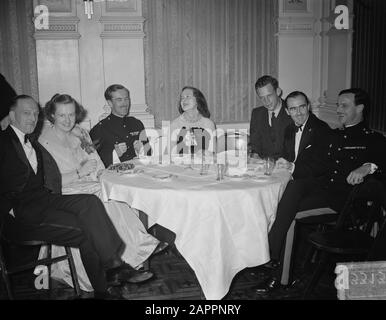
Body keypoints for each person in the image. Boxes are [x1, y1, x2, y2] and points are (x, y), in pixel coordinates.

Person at [0, 95, 154, 299]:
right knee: (88, 222)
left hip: (44, 200)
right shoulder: (5, 141)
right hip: (19, 213)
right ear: (12, 115)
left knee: (89, 208)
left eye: (35, 114)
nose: (32, 118)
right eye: (26, 113)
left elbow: (48, 179)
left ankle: (111, 273)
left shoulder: (32, 143)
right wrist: (7, 207)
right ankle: (110, 278)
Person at [253, 88, 386, 295]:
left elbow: (382, 162)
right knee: (293, 190)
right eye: (338, 105)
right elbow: (319, 165)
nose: (338, 110)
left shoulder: (374, 139)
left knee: (291, 217)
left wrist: (368, 166)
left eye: (344, 105)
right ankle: (269, 252)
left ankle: (279, 272)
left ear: (360, 108)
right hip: (324, 191)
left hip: (346, 203)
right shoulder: (334, 135)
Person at [38, 94, 167, 291]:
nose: (68, 120)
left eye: (71, 114)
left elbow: (97, 163)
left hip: (91, 184)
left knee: (111, 193)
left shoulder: (80, 133)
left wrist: (100, 173)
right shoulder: (43, 141)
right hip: (65, 191)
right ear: (52, 115)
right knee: (101, 198)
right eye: (62, 115)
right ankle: (136, 251)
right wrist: (79, 172)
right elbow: (48, 183)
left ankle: (129, 259)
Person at [90, 84, 151, 168]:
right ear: (110, 103)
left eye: (126, 99)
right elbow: (94, 160)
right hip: (116, 175)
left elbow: (149, 153)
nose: (124, 103)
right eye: (119, 100)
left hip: (140, 170)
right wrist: (115, 154)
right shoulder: (100, 129)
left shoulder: (136, 123)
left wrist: (142, 151)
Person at [276, 91, 332, 179]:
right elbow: (285, 156)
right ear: (287, 111)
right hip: (290, 177)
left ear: (308, 107)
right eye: (293, 109)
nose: (298, 113)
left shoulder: (321, 129)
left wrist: (291, 168)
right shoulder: (289, 129)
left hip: (311, 181)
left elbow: (321, 166)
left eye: (302, 107)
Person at [249, 75, 292, 159]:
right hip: (263, 166)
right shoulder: (256, 113)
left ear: (278, 91)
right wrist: (255, 155)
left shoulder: (292, 110)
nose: (266, 101)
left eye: (269, 96)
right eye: (262, 98)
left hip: (286, 166)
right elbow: (255, 145)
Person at [170, 86, 216, 156]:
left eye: (188, 96)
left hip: (203, 165)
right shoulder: (175, 125)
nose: (183, 100)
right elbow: (171, 155)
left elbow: (213, 153)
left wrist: (204, 153)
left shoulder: (209, 124)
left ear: (198, 100)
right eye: (182, 98)